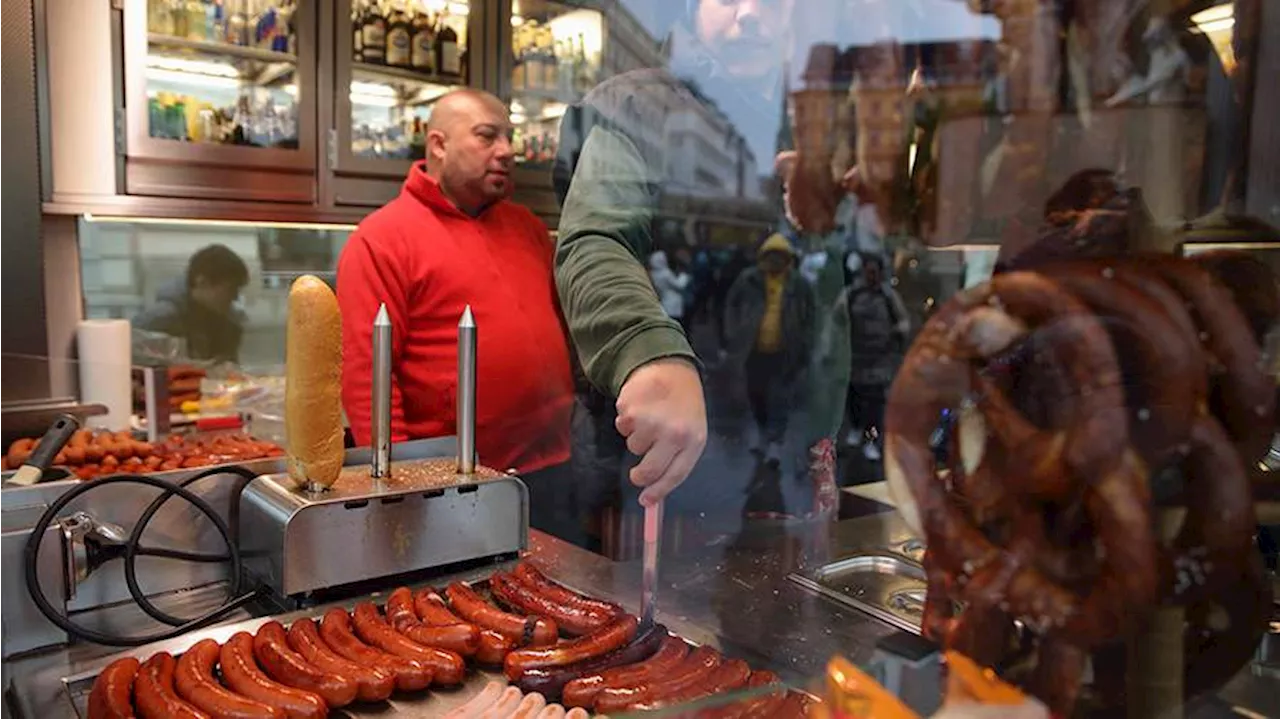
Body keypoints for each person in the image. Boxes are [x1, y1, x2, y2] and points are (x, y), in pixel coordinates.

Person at [554, 0, 807, 511]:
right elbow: (597, 242)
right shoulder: (637, 105)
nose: (751, 14)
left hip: (792, 439)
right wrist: (646, 349)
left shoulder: (817, 122)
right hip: (662, 437)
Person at [335, 89, 578, 541]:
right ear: (439, 145)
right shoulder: (382, 239)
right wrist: (399, 487)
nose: (507, 151)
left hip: (552, 470)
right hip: (452, 484)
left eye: (510, 137)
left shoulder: (527, 227)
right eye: (487, 137)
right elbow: (367, 376)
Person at [723, 233, 816, 465]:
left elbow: (812, 316)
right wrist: (734, 331)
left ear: (788, 259)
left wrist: (806, 342)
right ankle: (764, 433)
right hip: (752, 350)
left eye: (780, 257)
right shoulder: (749, 279)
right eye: (771, 256)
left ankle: (775, 442)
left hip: (786, 351)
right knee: (757, 396)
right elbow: (731, 305)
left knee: (780, 398)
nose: (775, 261)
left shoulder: (799, 283)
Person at [841, 253, 909, 461]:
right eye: (868, 271)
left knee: (875, 405)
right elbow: (836, 320)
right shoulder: (851, 294)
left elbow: (903, 321)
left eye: (875, 271)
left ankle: (870, 441)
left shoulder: (889, 297)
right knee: (853, 398)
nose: (871, 275)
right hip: (854, 358)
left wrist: (897, 332)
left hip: (879, 360)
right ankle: (854, 429)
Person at [133, 244, 249, 364]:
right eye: (230, 289)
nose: (235, 297)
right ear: (202, 282)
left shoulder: (230, 322)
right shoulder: (161, 319)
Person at [648, 250, 692, 335]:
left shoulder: (654, 274)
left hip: (664, 303)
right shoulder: (666, 273)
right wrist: (684, 276)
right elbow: (679, 285)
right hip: (673, 304)